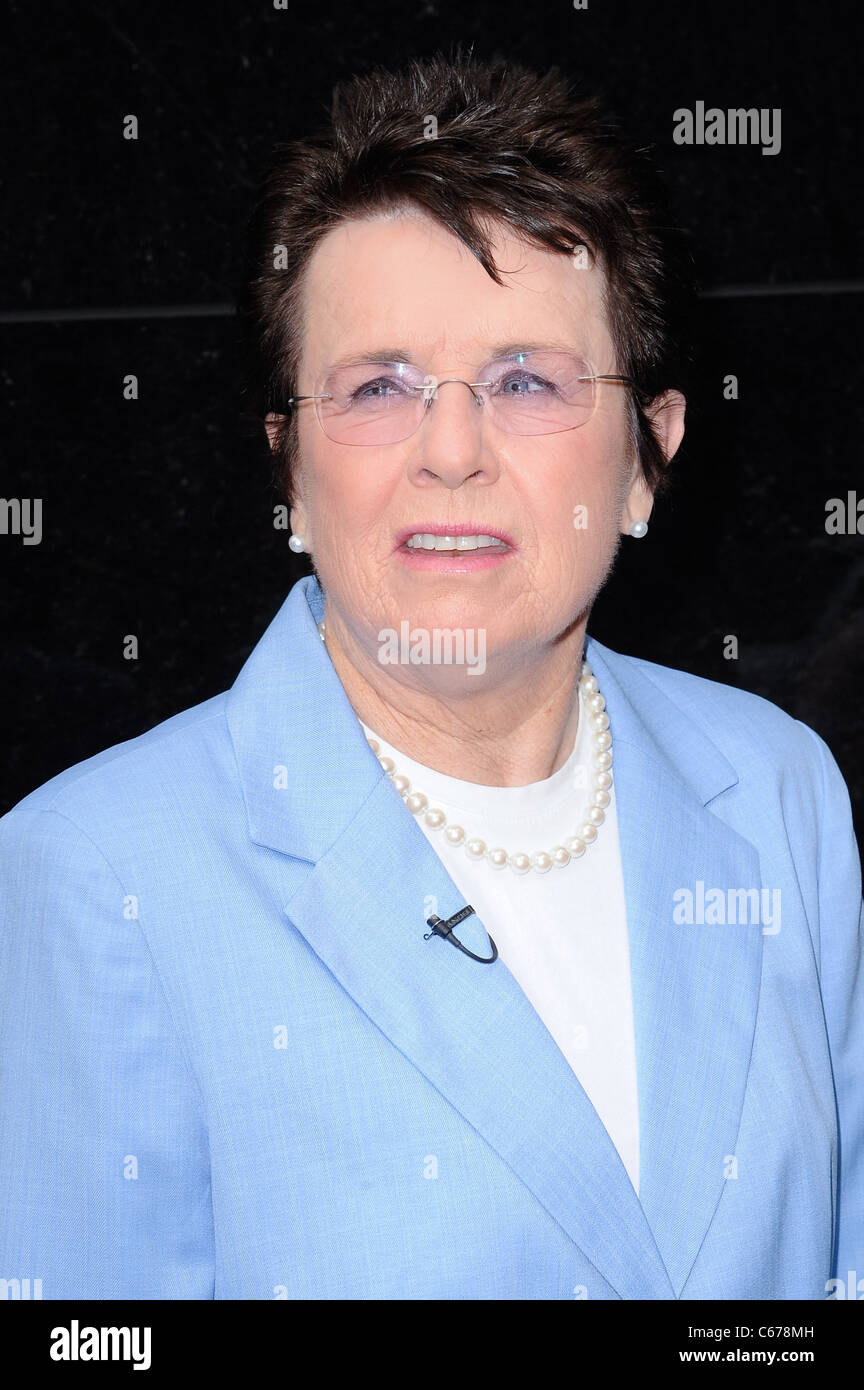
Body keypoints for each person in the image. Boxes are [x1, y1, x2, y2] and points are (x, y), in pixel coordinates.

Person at [1, 52, 861, 1301]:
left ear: (647, 455)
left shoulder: (782, 789)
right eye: (379, 387)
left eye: (526, 381)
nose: (450, 449)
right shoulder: (93, 878)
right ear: (290, 468)